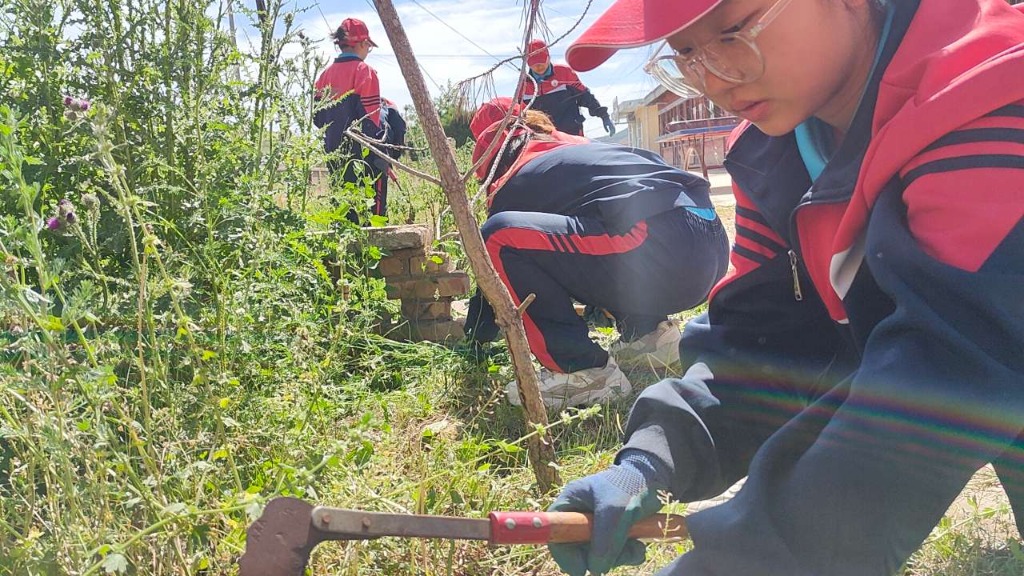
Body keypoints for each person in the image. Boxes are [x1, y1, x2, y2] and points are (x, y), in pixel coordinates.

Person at [545, 0, 1024, 574]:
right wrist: (650, 460)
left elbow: (952, 367)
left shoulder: (989, 92)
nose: (715, 79)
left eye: (732, 33)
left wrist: (753, 559)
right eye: (686, 54)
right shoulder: (777, 149)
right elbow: (761, 338)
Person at [464, 102, 730, 409]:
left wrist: (475, 341)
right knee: (591, 232)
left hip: (659, 247)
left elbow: (492, 277)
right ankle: (649, 338)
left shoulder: (512, 174)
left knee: (499, 238)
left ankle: (581, 370)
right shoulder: (576, 146)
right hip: (710, 240)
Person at [314, 18, 399, 222]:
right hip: (365, 156)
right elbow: (372, 119)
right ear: (362, 44)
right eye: (368, 46)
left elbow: (318, 119)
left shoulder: (324, 76)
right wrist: (382, 157)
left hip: (334, 154)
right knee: (375, 215)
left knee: (343, 212)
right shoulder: (365, 72)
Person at [516, 39, 617, 137]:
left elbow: (586, 97)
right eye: (534, 63)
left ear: (548, 57)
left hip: (571, 134)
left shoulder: (565, 74)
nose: (539, 66)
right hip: (543, 138)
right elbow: (518, 112)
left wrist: (604, 116)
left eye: (542, 61)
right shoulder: (524, 85)